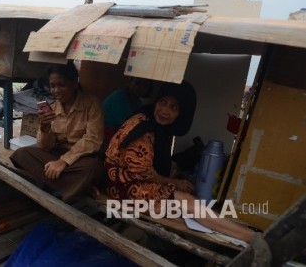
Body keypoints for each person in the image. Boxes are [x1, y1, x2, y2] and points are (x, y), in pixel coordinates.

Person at [104, 81, 254, 243]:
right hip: (122, 187)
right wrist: (172, 182)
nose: (165, 111)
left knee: (184, 190)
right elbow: (141, 172)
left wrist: (173, 181)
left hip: (127, 181)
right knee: (187, 202)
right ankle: (251, 238)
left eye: (174, 108)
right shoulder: (144, 128)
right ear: (156, 101)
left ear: (181, 113)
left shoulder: (153, 122)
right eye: (163, 102)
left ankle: (229, 228)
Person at [10, 62, 104, 202]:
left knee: (91, 167)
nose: (56, 90)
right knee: (21, 154)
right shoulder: (52, 107)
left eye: (61, 85)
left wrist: (63, 162)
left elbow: (93, 140)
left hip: (81, 160)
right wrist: (45, 127)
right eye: (52, 86)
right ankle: (79, 186)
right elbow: (44, 147)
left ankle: (61, 185)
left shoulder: (91, 103)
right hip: (56, 156)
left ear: (74, 83)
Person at [102, 77, 153, 143]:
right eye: (137, 82)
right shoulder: (118, 96)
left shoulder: (138, 102)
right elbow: (125, 124)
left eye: (145, 84)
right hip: (105, 133)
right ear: (130, 82)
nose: (141, 87)